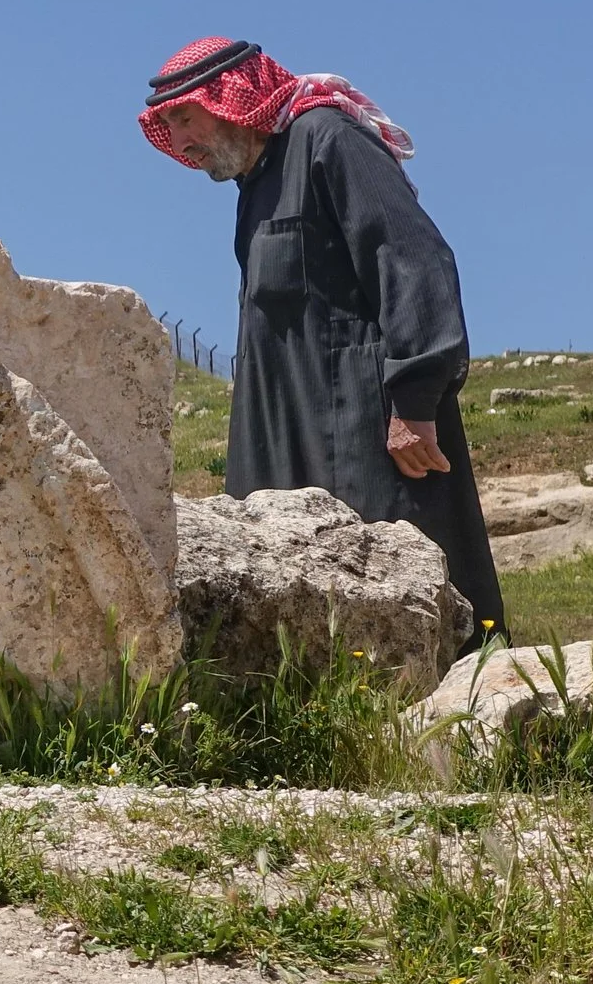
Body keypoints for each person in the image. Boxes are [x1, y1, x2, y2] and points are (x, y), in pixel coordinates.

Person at [139, 36, 504, 644]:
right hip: (284, 436)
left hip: (364, 431)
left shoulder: (330, 139)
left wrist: (413, 401)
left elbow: (412, 258)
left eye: (185, 116)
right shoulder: (256, 183)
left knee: (412, 613)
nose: (180, 142)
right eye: (167, 124)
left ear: (231, 98)